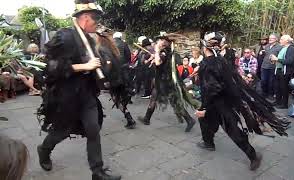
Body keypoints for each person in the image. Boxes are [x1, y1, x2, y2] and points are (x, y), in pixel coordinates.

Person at [36, 1, 121, 180]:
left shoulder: (89, 39)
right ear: (85, 18)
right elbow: (51, 68)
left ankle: (97, 172)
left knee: (93, 129)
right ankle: (44, 150)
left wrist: (105, 67)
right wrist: (84, 66)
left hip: (87, 95)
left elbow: (94, 66)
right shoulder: (64, 36)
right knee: (62, 131)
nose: (96, 24)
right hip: (67, 98)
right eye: (95, 20)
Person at [194, 32, 289, 170]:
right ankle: (208, 142)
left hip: (218, 103)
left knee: (232, 129)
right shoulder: (219, 60)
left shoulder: (209, 64)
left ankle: (253, 156)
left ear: (205, 48)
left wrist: (204, 108)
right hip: (217, 100)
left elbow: (212, 89)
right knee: (205, 121)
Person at [138, 32, 199, 132]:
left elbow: (158, 63)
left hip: (164, 82)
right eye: (159, 40)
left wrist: (156, 52)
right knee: (154, 97)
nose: (159, 41)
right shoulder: (165, 51)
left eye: (162, 40)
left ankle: (189, 120)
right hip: (161, 80)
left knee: (174, 101)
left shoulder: (164, 52)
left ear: (166, 42)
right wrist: (153, 57)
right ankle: (147, 118)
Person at [95, 27, 136, 129]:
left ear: (100, 38)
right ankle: (128, 115)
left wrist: (105, 78)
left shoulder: (102, 48)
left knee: (116, 99)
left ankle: (129, 117)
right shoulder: (112, 47)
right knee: (119, 98)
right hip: (120, 76)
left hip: (113, 78)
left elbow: (108, 63)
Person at [270, 35, 294, 109]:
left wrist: (277, 59)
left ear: (287, 41)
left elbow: (290, 61)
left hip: (285, 72)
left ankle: (284, 104)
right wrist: (273, 59)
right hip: (279, 70)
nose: (280, 40)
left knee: (283, 88)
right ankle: (277, 101)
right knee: (277, 87)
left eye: (281, 39)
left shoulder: (291, 49)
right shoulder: (283, 48)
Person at [260, 34, 282, 100]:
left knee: (271, 82)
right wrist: (262, 51)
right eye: (269, 38)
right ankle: (264, 93)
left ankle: (270, 94)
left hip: (273, 67)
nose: (270, 39)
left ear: (276, 39)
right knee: (263, 81)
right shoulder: (267, 46)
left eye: (272, 38)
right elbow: (266, 53)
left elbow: (280, 57)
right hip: (264, 66)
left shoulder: (279, 47)